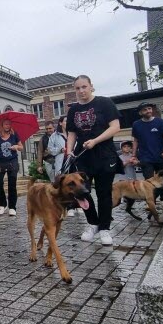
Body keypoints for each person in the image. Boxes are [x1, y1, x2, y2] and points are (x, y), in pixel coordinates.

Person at [65, 75, 121, 246]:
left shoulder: (105, 103)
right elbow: (72, 134)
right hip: (83, 157)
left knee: (104, 193)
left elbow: (115, 127)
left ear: (91, 87)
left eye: (84, 87)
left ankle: (104, 228)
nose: (81, 91)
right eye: (78, 88)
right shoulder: (73, 110)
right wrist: (69, 152)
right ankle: (93, 223)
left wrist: (96, 140)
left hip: (105, 155)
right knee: (81, 192)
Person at [130, 102, 163, 208]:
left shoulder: (160, 122)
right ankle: (151, 202)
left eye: (149, 108)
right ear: (140, 112)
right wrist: (134, 155)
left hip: (160, 156)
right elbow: (135, 141)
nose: (148, 111)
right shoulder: (136, 124)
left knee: (162, 180)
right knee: (149, 182)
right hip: (145, 158)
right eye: (145, 109)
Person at [0, 118, 24, 216]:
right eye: (6, 124)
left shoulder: (14, 135)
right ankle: (2, 204)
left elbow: (21, 147)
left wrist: (16, 147)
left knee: (12, 183)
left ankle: (12, 207)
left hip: (12, 161)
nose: (8, 126)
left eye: (9, 124)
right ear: (2, 125)